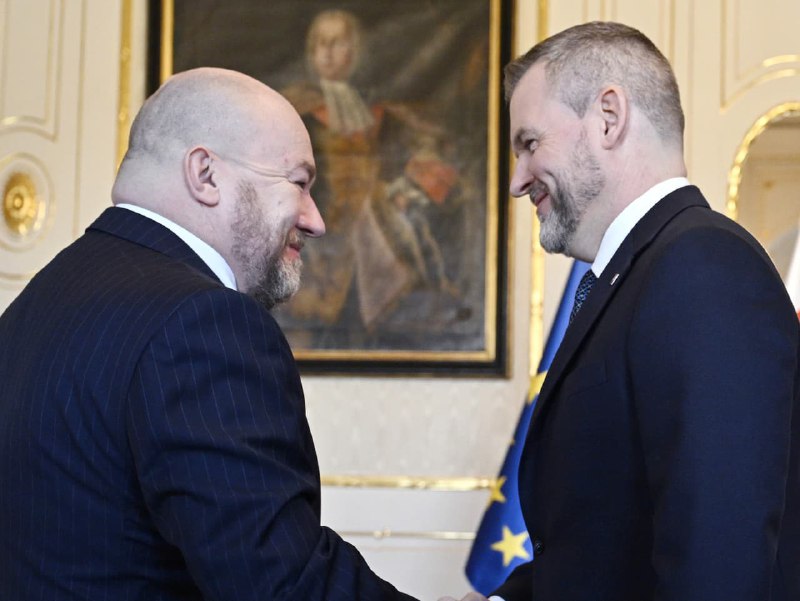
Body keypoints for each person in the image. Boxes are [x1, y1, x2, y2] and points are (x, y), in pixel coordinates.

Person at [0, 67, 417, 601]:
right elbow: (281, 586)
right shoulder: (203, 321)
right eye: (299, 183)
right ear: (206, 175)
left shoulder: (41, 299)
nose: (315, 220)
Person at [443, 21, 800, 601]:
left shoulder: (703, 267)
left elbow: (717, 563)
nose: (517, 181)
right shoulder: (643, 272)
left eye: (529, 144)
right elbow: (606, 548)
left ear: (609, 117)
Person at [280, 9, 458, 346]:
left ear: (355, 51)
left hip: (370, 244)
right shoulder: (292, 113)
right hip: (319, 248)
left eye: (337, 42)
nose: (327, 51)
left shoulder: (382, 116)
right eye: (320, 43)